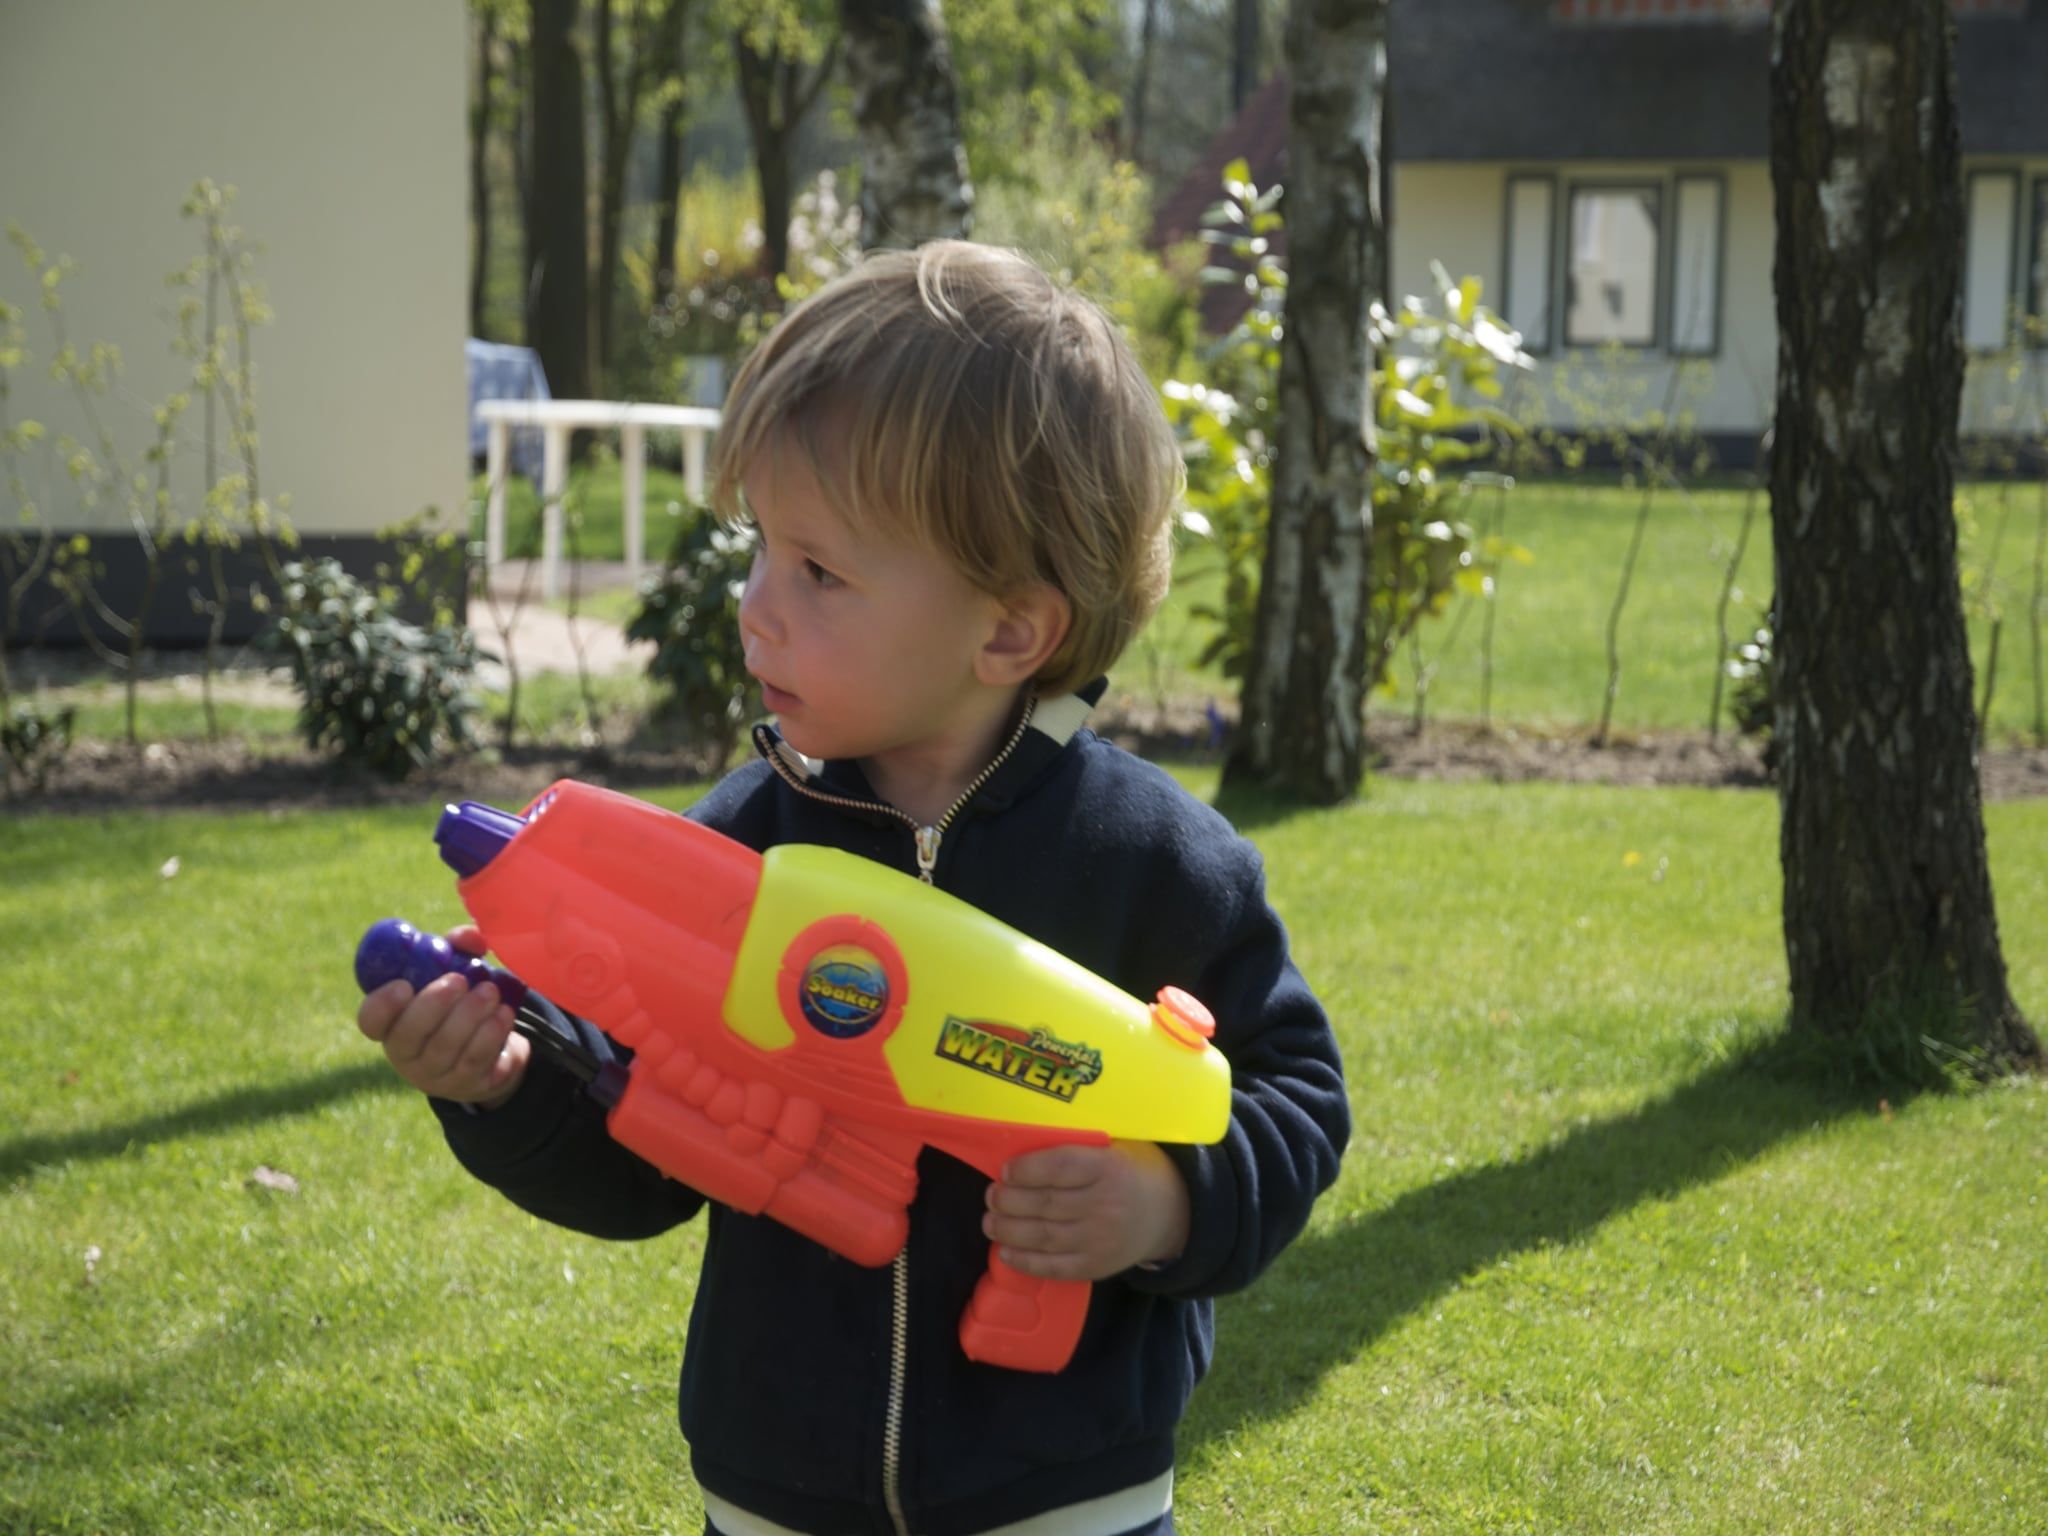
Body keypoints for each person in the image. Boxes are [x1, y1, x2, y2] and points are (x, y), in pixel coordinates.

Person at [356, 241, 1349, 1536]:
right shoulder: (738, 853)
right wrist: (502, 1087)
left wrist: (1168, 1202)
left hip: (1069, 1498)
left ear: (1009, 631)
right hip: (778, 1493)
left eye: (820, 572)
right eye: (760, 546)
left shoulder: (1158, 865)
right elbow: (643, 1160)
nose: (757, 606)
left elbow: (1297, 1101)